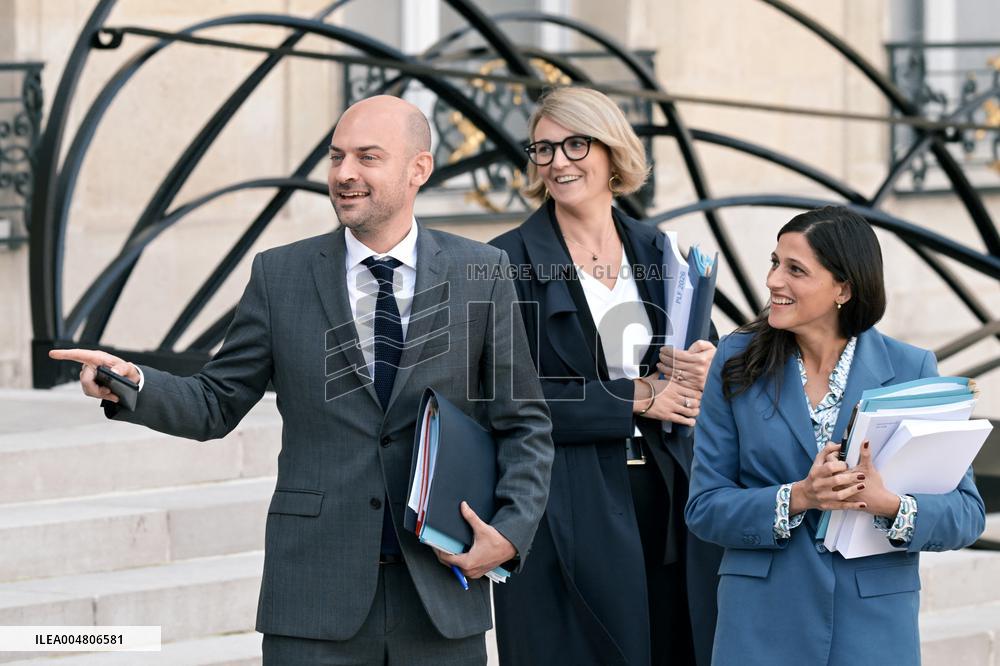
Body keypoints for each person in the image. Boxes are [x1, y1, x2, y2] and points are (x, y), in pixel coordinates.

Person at [50, 95, 555, 666]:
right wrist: (133, 382)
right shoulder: (280, 274)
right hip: (313, 598)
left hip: (441, 597)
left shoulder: (480, 273)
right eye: (336, 156)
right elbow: (216, 402)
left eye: (367, 157)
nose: (344, 173)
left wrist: (509, 532)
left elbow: (525, 423)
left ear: (419, 168)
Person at [685, 206, 986, 665]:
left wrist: (889, 504)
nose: (772, 280)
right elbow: (704, 508)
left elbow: (966, 514)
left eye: (795, 270)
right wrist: (799, 497)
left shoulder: (911, 368)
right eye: (774, 262)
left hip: (870, 631)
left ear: (843, 288)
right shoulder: (735, 360)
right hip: (761, 624)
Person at [490, 86, 722, 666]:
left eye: (576, 144)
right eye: (544, 149)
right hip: (563, 504)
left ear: (612, 150)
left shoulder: (657, 248)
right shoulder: (504, 261)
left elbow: (703, 346)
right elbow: (499, 398)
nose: (557, 162)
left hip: (668, 496)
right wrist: (634, 398)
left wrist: (705, 362)